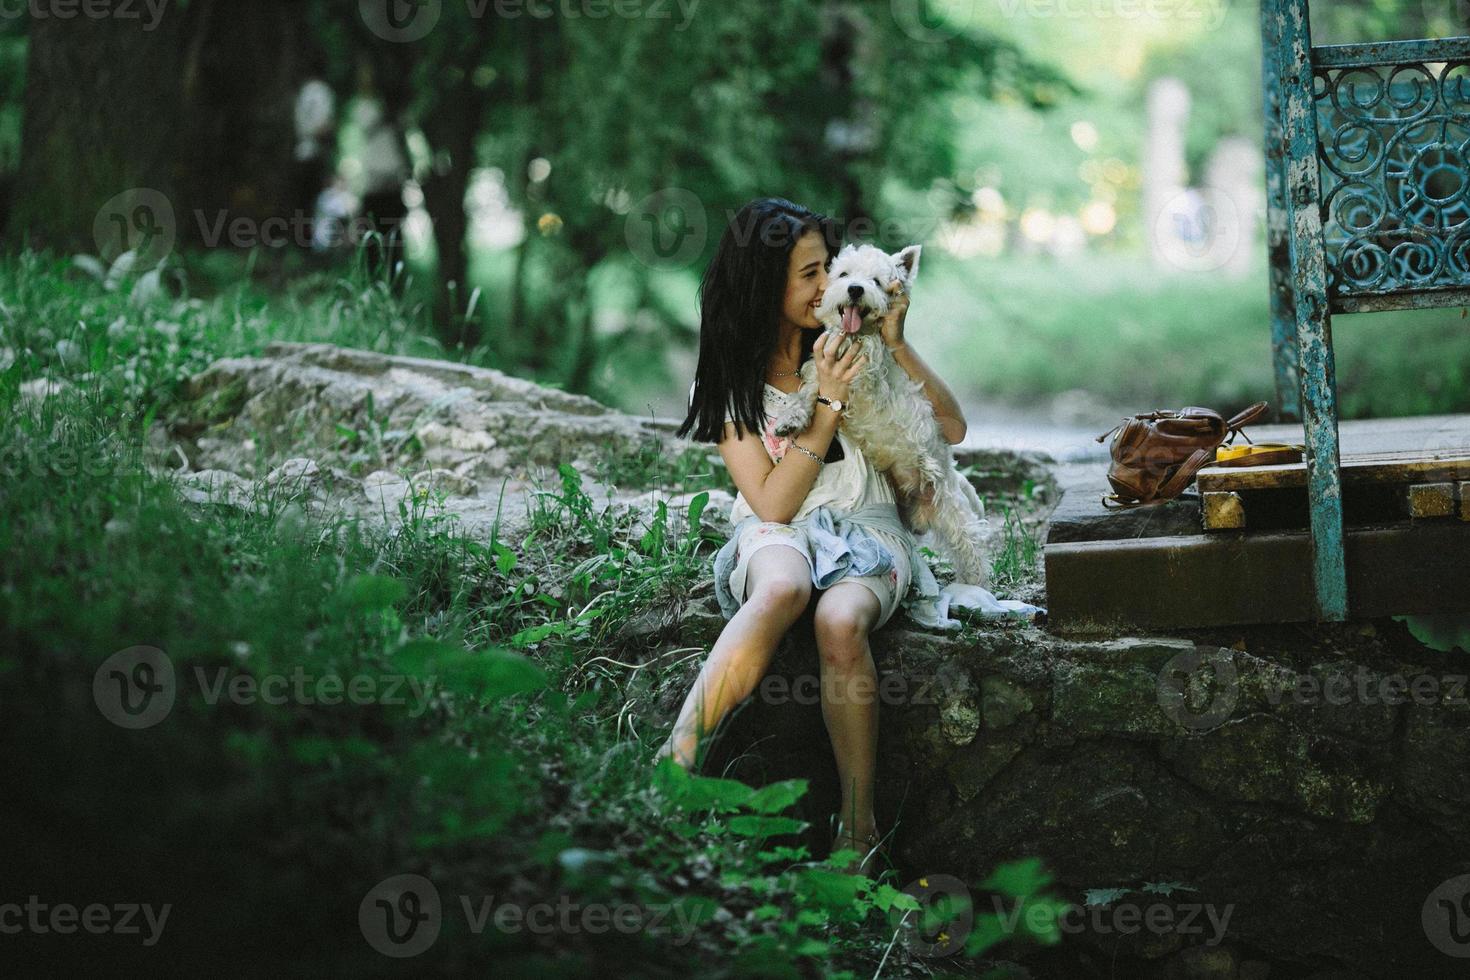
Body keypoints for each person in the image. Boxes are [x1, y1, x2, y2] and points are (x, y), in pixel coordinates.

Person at [658, 198, 970, 872]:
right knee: (780, 587)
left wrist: (895, 344)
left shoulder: (853, 340)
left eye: (828, 267)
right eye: (810, 273)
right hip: (777, 529)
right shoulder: (730, 384)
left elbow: (951, 430)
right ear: (765, 285)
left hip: (869, 527)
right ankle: (675, 763)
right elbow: (771, 503)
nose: (829, 284)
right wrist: (826, 403)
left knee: (839, 620)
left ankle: (858, 835)